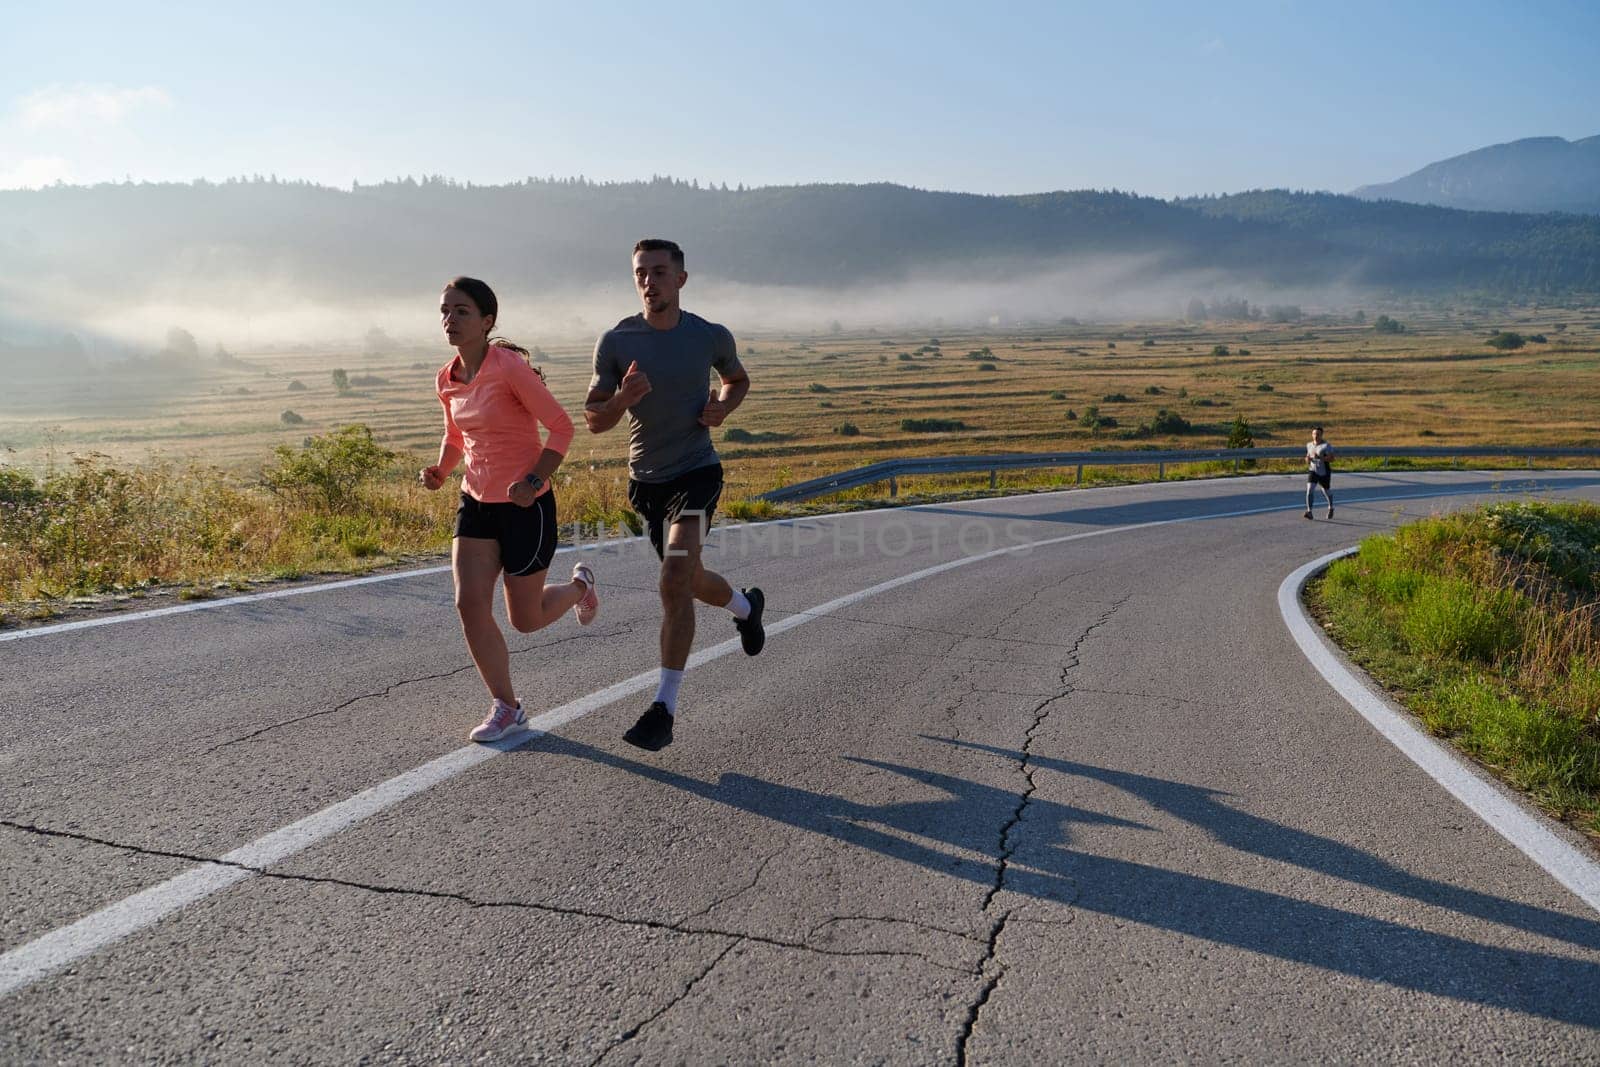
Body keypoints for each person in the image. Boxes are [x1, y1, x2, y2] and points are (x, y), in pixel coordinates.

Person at [584, 239, 765, 751]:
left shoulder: (708, 335)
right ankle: (747, 610)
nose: (649, 281)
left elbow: (737, 379)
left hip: (696, 471)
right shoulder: (617, 342)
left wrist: (722, 410)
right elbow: (595, 421)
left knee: (672, 576)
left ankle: (663, 707)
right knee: (686, 580)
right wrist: (623, 397)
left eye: (660, 272)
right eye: (641, 273)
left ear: (681, 279)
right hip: (646, 482)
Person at [421, 277, 600, 742]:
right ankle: (507, 706)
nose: (450, 319)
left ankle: (580, 587)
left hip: (527, 507)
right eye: (445, 311)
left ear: (487, 321)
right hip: (476, 502)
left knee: (526, 620)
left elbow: (560, 429)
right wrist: (441, 471)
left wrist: (534, 481)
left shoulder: (509, 369)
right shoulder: (447, 378)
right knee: (469, 603)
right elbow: (456, 436)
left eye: (461, 311)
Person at [1305, 425, 1334, 519]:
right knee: (1309, 490)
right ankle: (1309, 511)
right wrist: (1307, 459)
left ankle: (1331, 507)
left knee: (1326, 491)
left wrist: (1321, 458)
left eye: (1318, 434)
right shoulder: (1309, 445)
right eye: (1314, 434)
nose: (1315, 436)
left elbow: (1332, 458)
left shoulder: (1326, 446)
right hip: (1313, 470)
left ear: (1322, 435)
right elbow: (1307, 457)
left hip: (1323, 472)